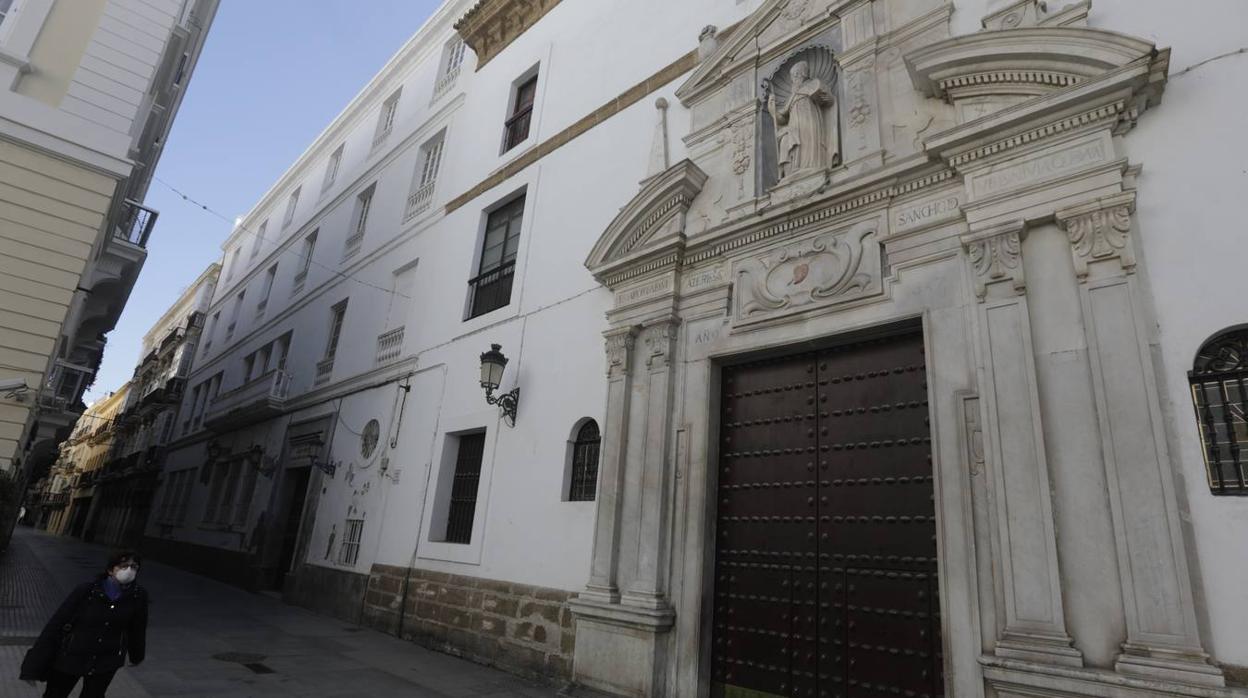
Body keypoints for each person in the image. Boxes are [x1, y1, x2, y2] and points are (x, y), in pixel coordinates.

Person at [19, 550, 149, 698]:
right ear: (110, 570)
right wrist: (32, 667)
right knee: (55, 694)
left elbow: (137, 627)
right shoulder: (87, 591)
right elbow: (56, 624)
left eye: (134, 567)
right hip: (71, 656)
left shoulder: (138, 596)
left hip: (106, 660)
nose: (129, 570)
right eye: (124, 566)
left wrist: (137, 655)